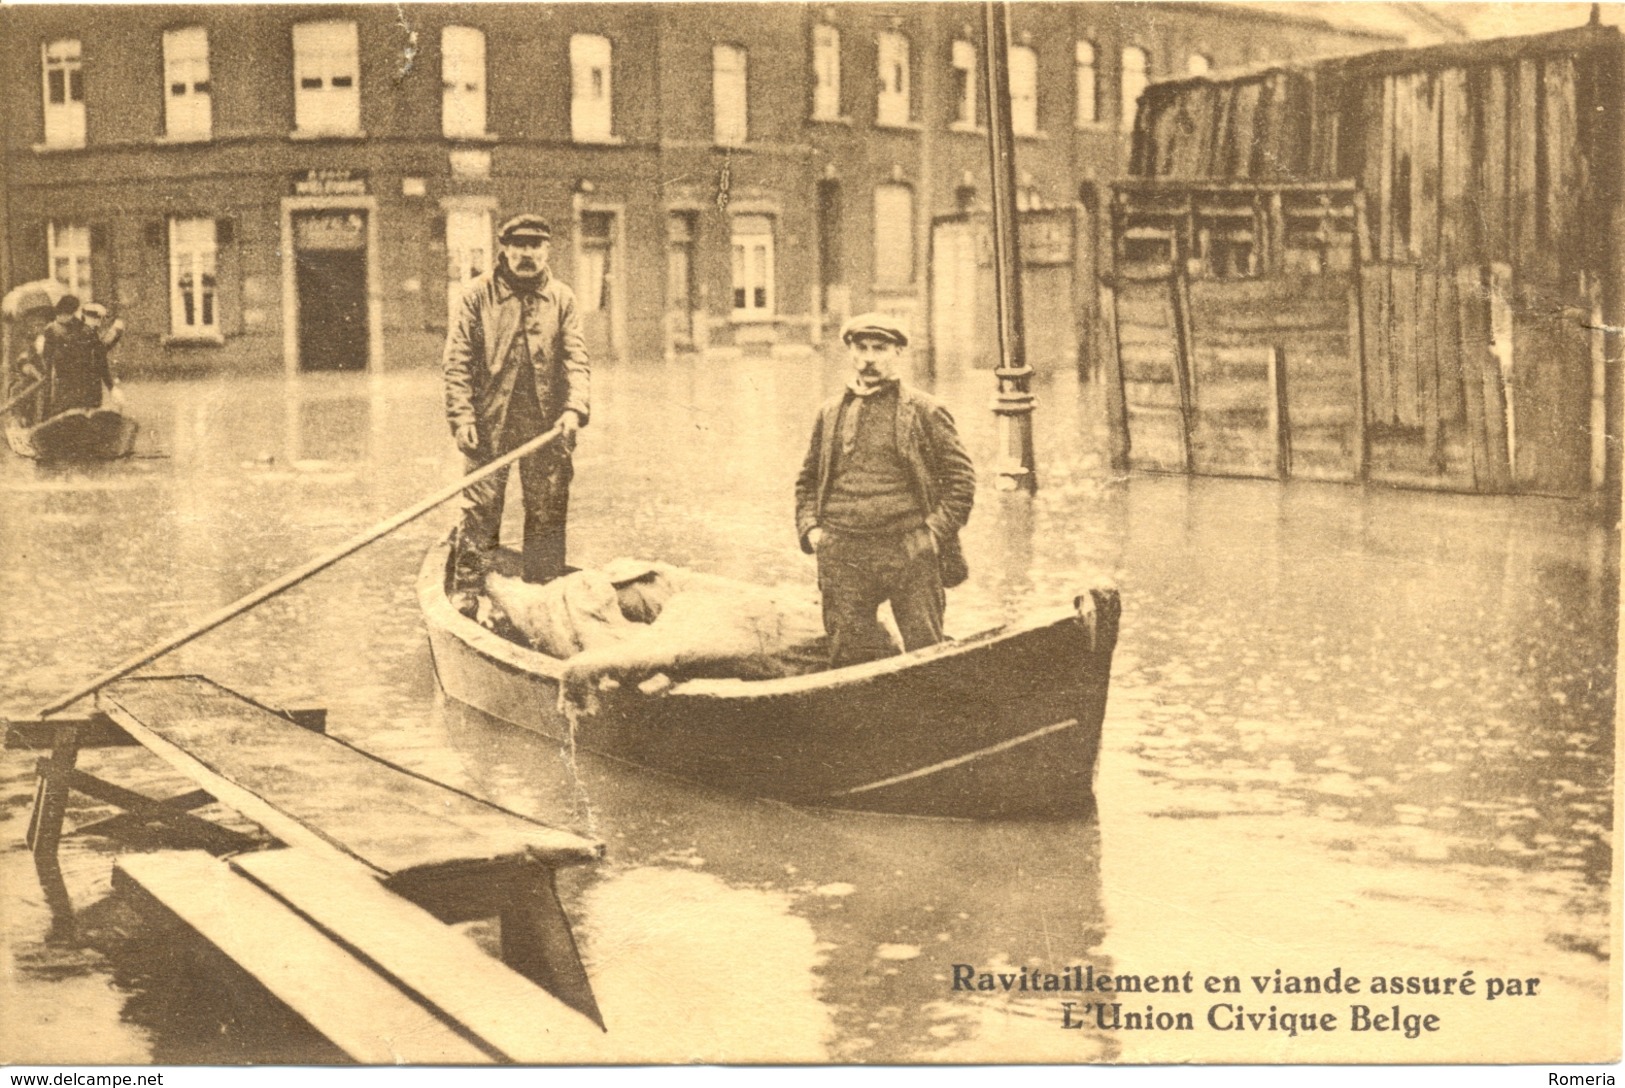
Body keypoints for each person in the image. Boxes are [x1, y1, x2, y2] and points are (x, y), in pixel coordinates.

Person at [794, 312, 976, 669]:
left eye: (880, 348)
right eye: (861, 348)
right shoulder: (829, 412)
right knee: (848, 660)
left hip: (908, 549)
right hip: (842, 552)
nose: (869, 358)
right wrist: (812, 530)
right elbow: (807, 482)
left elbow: (961, 482)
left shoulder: (925, 411)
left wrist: (932, 535)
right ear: (850, 351)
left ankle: (931, 722)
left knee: (926, 654)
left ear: (898, 353)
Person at [443, 213, 590, 616]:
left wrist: (574, 410)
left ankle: (543, 598)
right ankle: (467, 594)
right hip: (490, 424)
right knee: (479, 509)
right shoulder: (477, 296)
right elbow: (457, 363)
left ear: (547, 250)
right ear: (504, 249)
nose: (527, 253)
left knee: (547, 510)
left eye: (535, 245)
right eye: (519, 245)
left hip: (546, 427)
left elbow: (577, 360)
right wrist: (463, 419)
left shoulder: (562, 298)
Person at [39, 294, 108, 416]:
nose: (66, 318)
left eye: (69, 314)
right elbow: (48, 359)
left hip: (79, 381)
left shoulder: (82, 329)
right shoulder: (52, 330)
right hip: (65, 380)